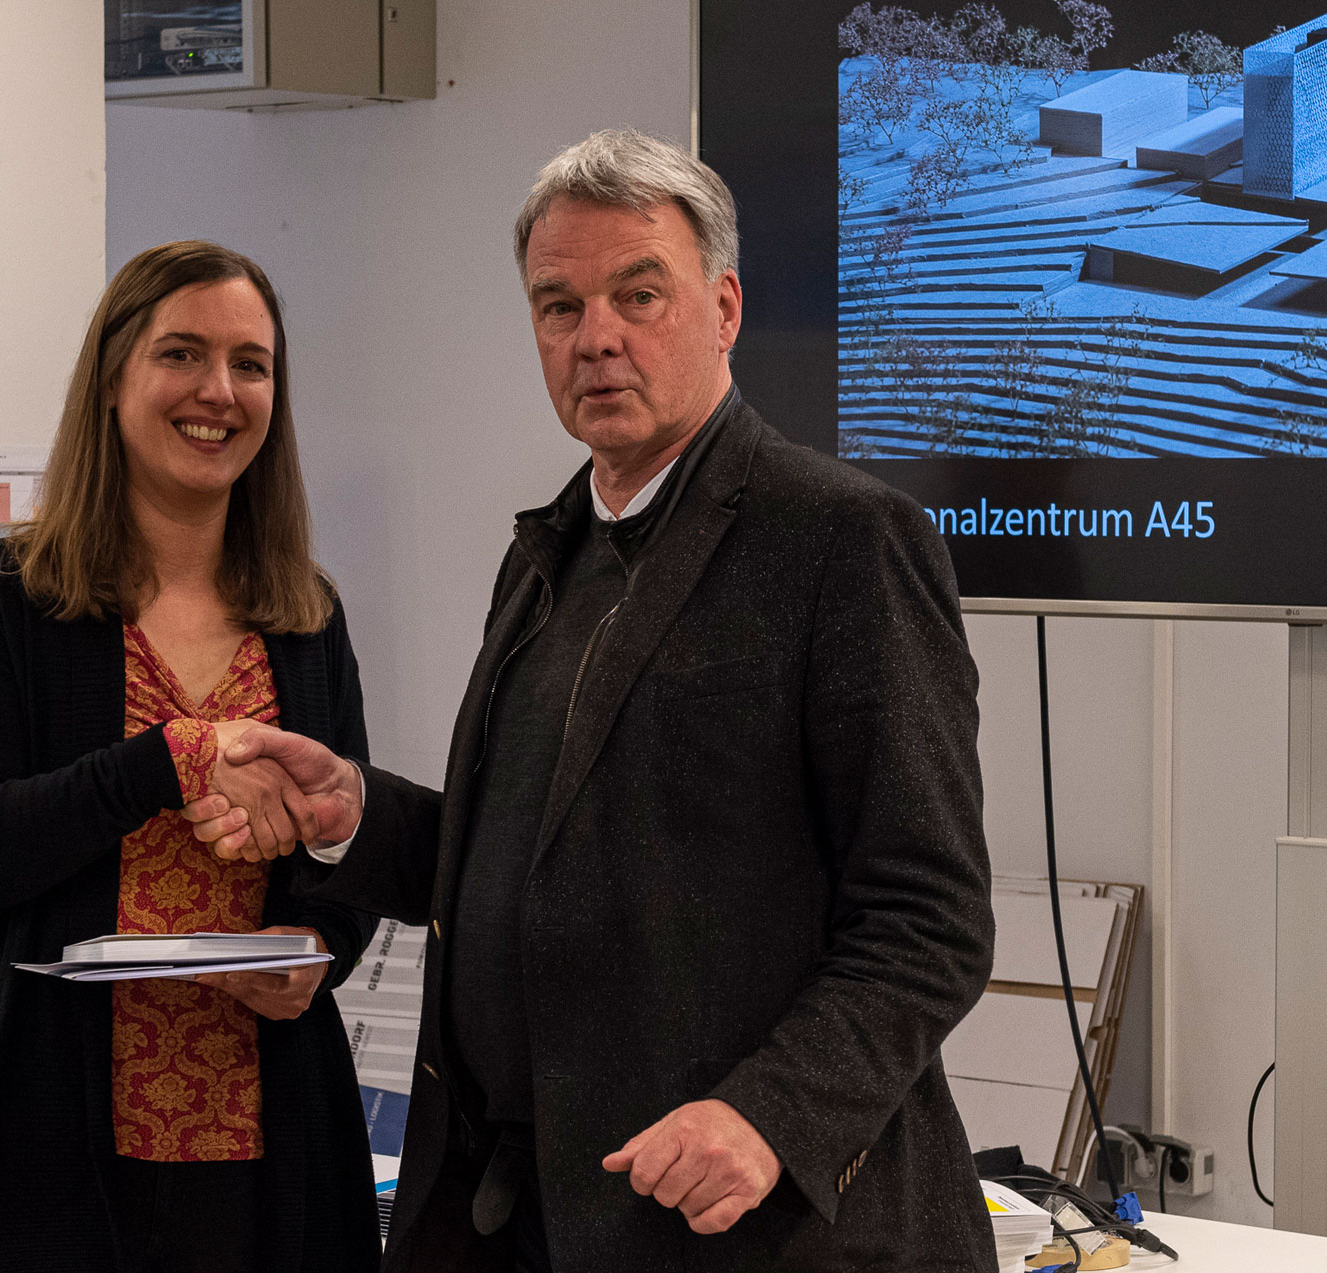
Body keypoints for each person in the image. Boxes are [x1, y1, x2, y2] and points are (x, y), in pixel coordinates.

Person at [182, 130, 997, 1271]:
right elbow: (542, 855)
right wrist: (354, 813)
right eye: (558, 305)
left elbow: (929, 916)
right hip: (527, 1214)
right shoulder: (548, 555)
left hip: (746, 1230)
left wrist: (768, 1114)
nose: (596, 336)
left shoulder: (844, 540)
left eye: (638, 295)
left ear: (724, 309)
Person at [0, 240, 382, 1273]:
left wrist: (315, 944)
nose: (219, 391)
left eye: (251, 364)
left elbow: (348, 847)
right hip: (40, 1132)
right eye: (182, 354)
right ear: (113, 379)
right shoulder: (9, 596)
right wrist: (167, 761)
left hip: (262, 1135)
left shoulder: (305, 616)